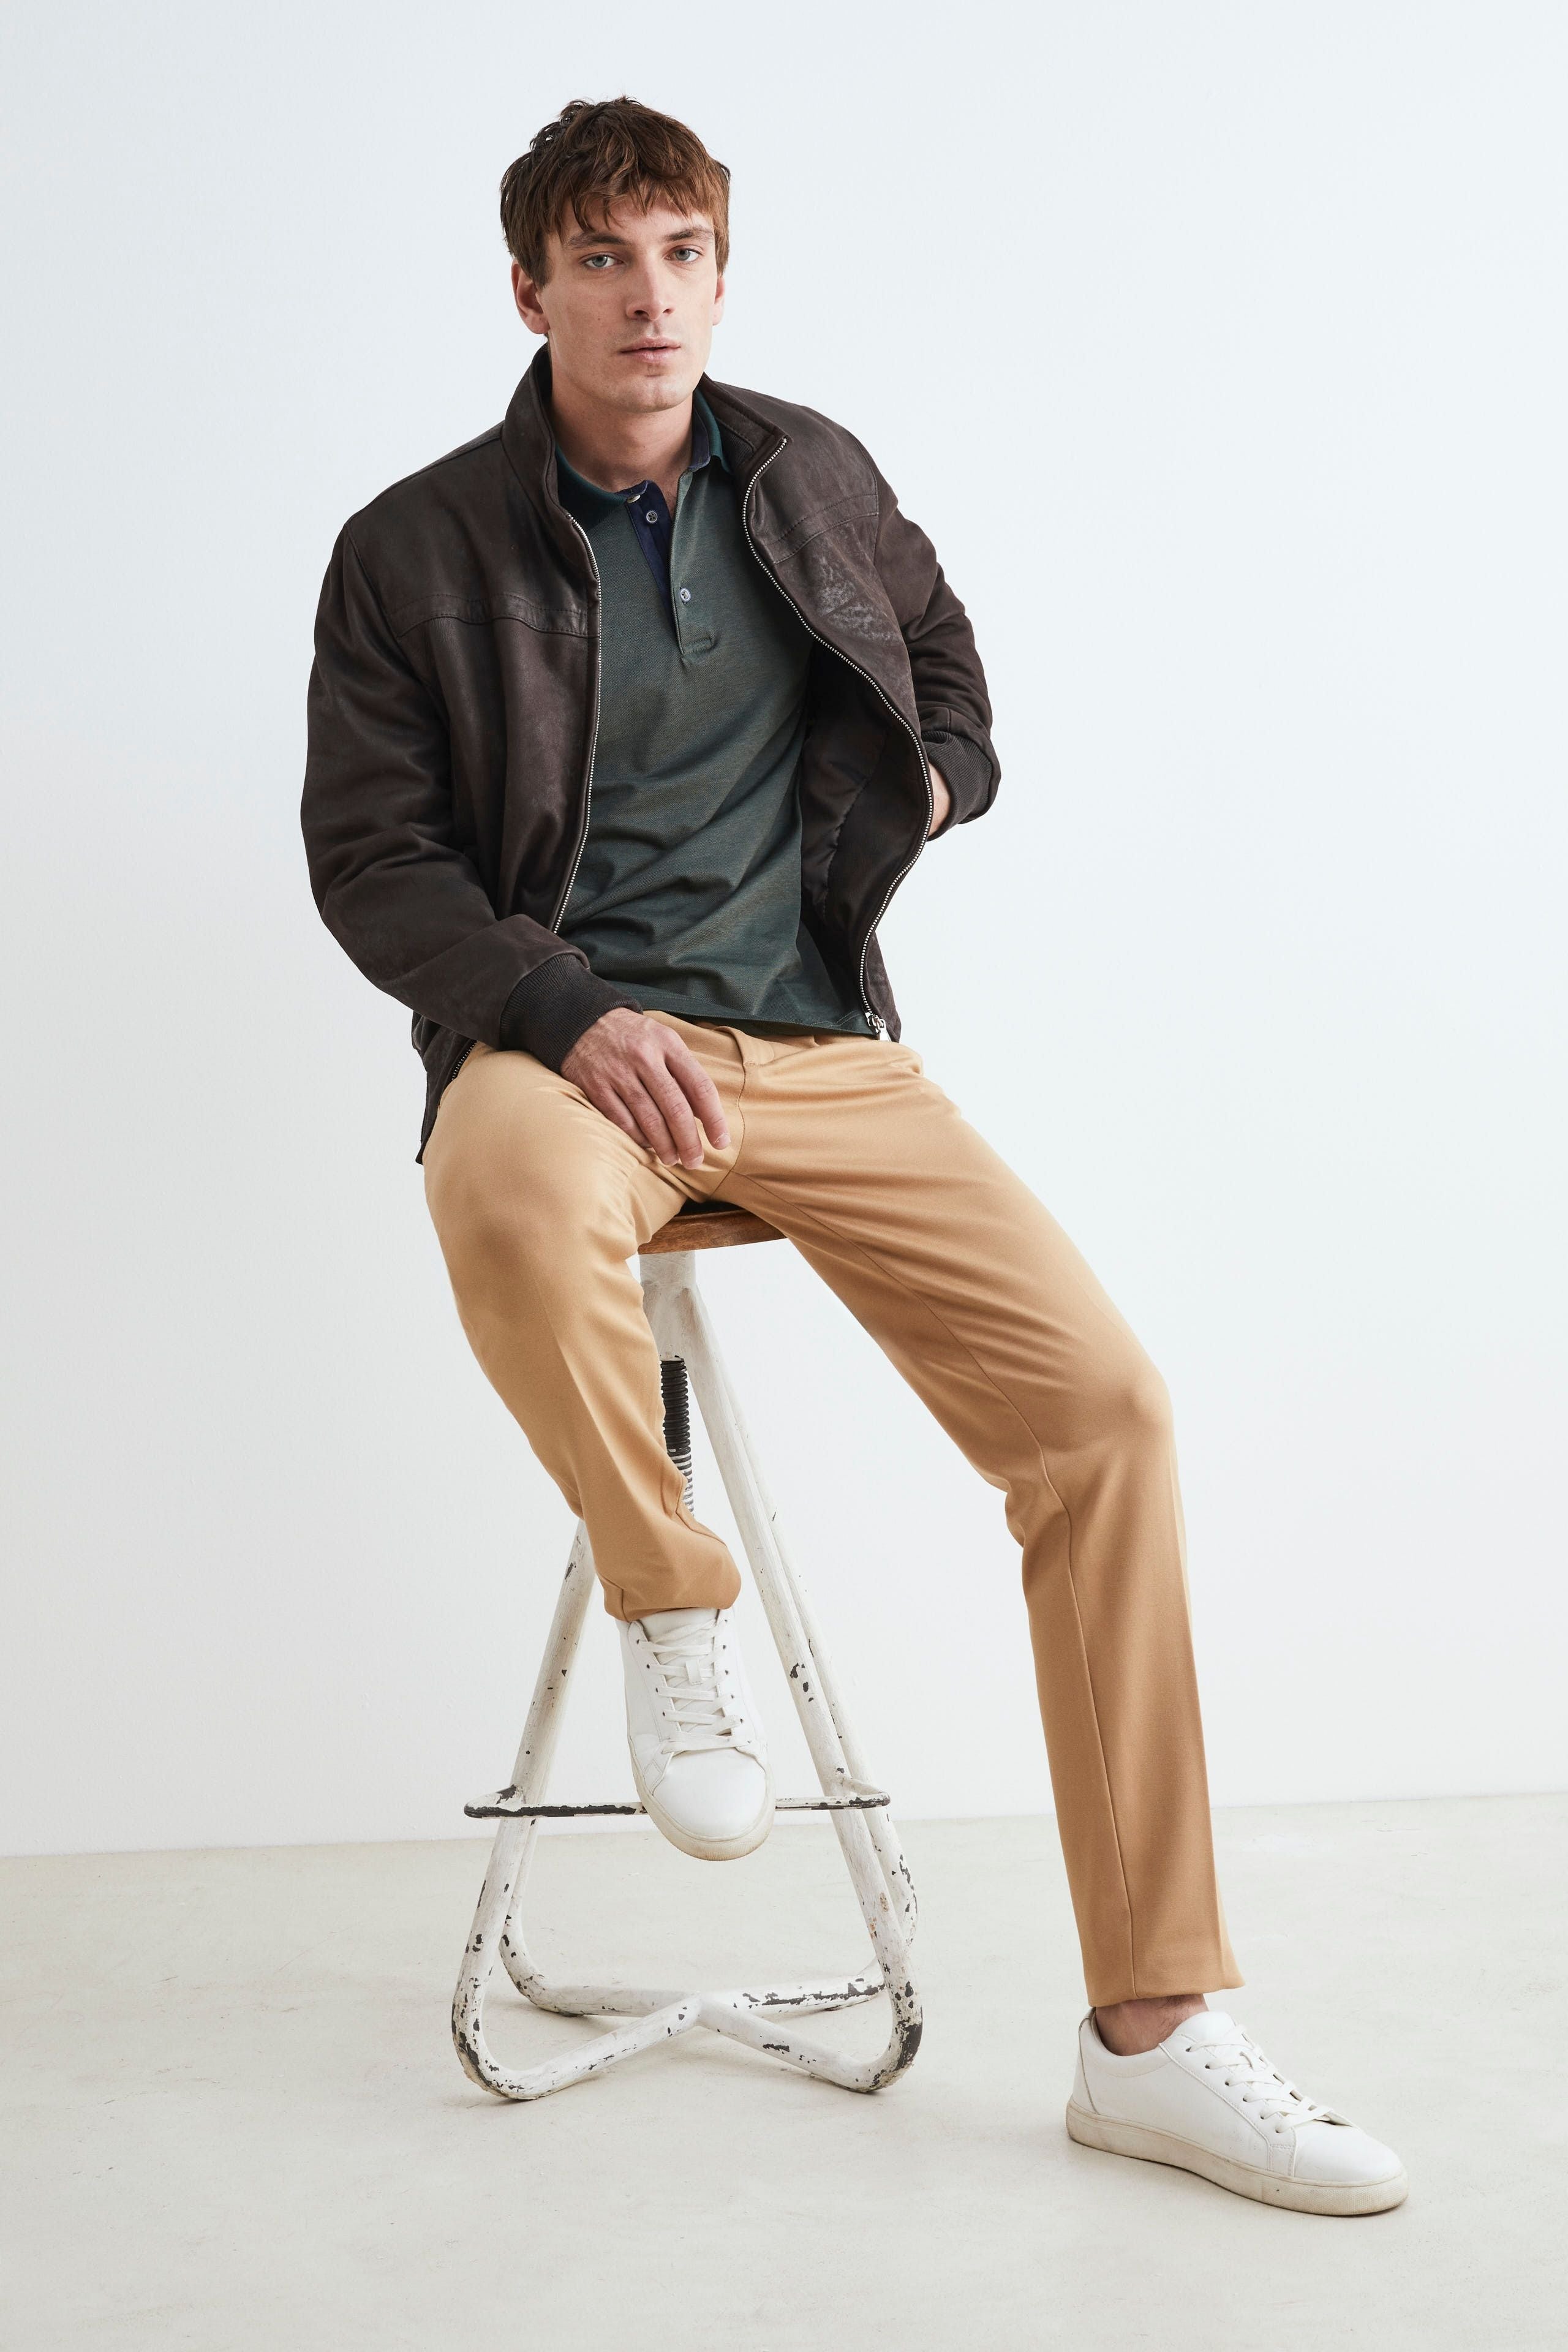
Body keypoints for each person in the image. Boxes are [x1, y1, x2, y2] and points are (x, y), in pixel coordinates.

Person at [301, 96, 1406, 2215]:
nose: (650, 298)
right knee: (499, 1188)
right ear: (528, 291)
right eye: (604, 260)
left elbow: (943, 657)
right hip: (570, 1045)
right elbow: (374, 860)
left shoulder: (809, 472)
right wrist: (562, 1011)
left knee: (1107, 1417)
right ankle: (670, 1594)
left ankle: (1152, 2036)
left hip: (814, 1048)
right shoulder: (414, 549)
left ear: (723, 274)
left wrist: (937, 782)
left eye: (684, 253)